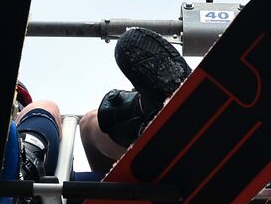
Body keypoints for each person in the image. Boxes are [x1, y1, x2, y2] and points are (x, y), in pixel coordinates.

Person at [78, 27, 192, 174]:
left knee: (88, 122)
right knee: (89, 121)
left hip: (140, 174)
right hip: (151, 171)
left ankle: (144, 115)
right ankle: (145, 112)